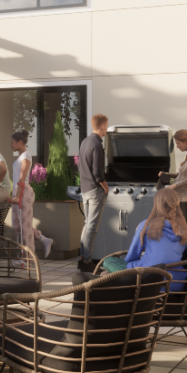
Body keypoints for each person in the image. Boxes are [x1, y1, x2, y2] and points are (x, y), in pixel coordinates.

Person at [124, 189, 187, 291]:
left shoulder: (145, 225)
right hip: (176, 283)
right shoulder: (185, 230)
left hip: (150, 282)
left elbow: (131, 256)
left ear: (157, 205)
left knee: (109, 262)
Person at [7, 131, 54, 259]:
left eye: (12, 142)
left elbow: (22, 178)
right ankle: (43, 239)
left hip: (23, 191)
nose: (11, 145)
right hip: (18, 190)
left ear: (20, 142)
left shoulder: (26, 156)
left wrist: (17, 196)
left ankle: (28, 259)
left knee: (25, 228)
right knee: (17, 226)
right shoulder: (20, 156)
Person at [78, 114, 109, 272]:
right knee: (92, 227)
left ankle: (83, 258)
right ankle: (88, 262)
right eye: (107, 125)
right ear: (102, 126)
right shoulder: (97, 144)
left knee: (87, 225)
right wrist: (105, 186)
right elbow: (98, 172)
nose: (107, 128)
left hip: (85, 189)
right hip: (95, 190)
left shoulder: (85, 142)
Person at [159, 129, 187, 234]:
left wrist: (174, 186)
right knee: (181, 232)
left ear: (186, 142)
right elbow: (182, 175)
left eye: (178, 143)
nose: (177, 146)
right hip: (183, 199)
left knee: (186, 232)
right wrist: (167, 174)